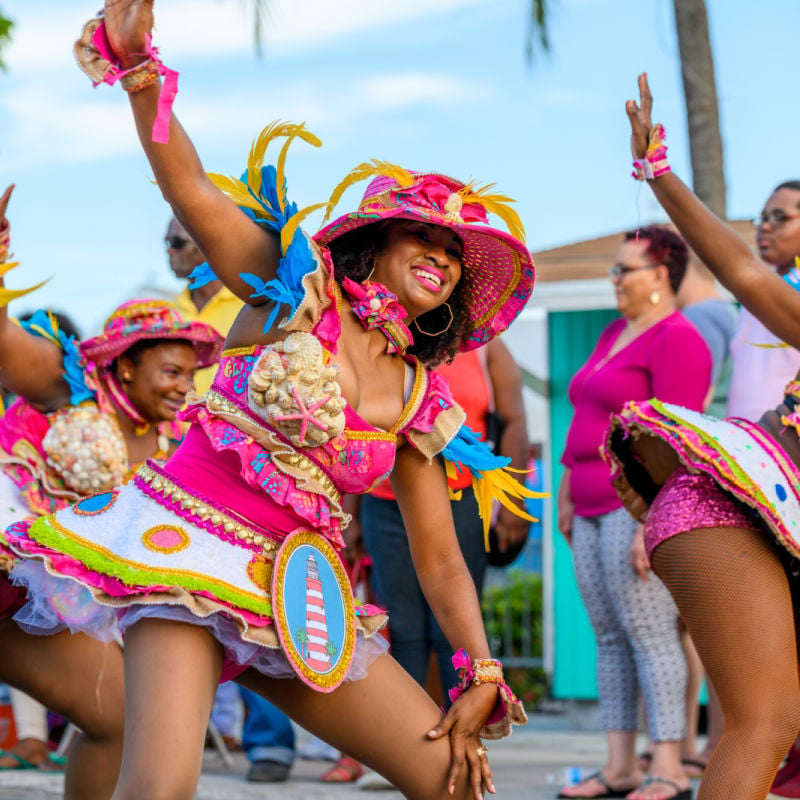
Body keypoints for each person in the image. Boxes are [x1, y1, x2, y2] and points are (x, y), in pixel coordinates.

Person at [5, 6, 537, 800]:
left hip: (300, 592)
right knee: (159, 787)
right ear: (378, 241)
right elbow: (189, 188)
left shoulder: (422, 398)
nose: (442, 258)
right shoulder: (292, 290)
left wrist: (483, 668)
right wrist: (141, 77)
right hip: (186, 553)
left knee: (450, 779)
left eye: (458, 257)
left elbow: (438, 558)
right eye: (425, 237)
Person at [602, 73, 800, 800]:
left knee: (773, 722)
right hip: (725, 509)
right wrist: (658, 169)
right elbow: (745, 272)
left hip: (761, 526)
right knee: (767, 720)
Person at [0, 186, 224, 799]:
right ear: (126, 366)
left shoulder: (183, 439)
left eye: (190, 374)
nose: (184, 387)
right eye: (171, 372)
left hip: (58, 603)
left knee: (122, 717)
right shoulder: (71, 394)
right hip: (28, 574)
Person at [556, 225, 711, 800]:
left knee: (650, 633)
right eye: (616, 269)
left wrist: (652, 523)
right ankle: (619, 764)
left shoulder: (678, 339)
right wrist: (569, 492)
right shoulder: (616, 333)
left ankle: (668, 765)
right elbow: (586, 420)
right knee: (609, 637)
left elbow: (678, 442)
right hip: (589, 505)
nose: (615, 278)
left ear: (661, 277)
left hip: (637, 507)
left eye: (626, 269)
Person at [357, 337, 530, 695]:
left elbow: (514, 421)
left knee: (454, 629)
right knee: (401, 626)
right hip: (386, 502)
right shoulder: (382, 337)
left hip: (462, 499)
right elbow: (355, 427)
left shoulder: (485, 349)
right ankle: (406, 739)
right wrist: (351, 513)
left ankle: (464, 734)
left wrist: (514, 501)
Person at [726, 182, 800, 423]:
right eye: (763, 218)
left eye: (780, 217)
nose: (766, 227)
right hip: (740, 446)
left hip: (785, 447)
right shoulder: (755, 289)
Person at [167, 215, 243, 394]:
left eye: (176, 242)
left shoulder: (250, 305)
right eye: (167, 243)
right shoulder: (167, 313)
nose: (169, 251)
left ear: (208, 241)